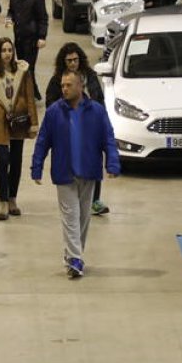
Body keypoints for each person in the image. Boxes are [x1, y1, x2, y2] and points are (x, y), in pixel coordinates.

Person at [31, 70, 120, 278]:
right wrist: (36, 167)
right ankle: (75, 258)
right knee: (70, 216)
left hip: (89, 171)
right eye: (62, 85)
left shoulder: (97, 111)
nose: (64, 89)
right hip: (64, 172)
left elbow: (108, 138)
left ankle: (73, 255)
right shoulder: (54, 112)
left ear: (81, 86)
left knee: (83, 217)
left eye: (68, 85)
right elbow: (43, 140)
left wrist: (113, 164)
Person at [44, 43, 109, 216]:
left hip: (89, 127)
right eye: (69, 60)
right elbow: (50, 104)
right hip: (68, 131)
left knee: (94, 161)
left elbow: (99, 98)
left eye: (75, 59)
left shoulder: (90, 76)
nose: (73, 63)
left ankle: (94, 199)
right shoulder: (57, 81)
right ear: (63, 62)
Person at [0, 37, 39, 221]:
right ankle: (3, 201)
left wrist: (33, 122)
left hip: (19, 120)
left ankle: (12, 199)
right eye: (3, 50)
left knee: (16, 160)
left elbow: (30, 98)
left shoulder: (22, 71)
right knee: (3, 160)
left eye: (10, 50)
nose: (7, 54)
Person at [8, 0, 48, 100]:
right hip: (19, 37)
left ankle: (29, 95)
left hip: (32, 39)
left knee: (28, 68)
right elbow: (11, 11)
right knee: (22, 67)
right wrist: (9, 19)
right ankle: (34, 92)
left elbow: (43, 18)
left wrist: (42, 36)